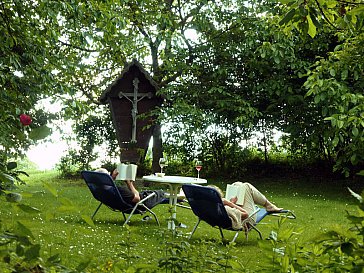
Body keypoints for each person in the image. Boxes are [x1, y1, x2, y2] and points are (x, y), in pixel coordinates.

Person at [210, 182, 282, 226]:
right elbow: (245, 214)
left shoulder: (208, 208)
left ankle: (268, 205)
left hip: (230, 217)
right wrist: (230, 204)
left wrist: (230, 203)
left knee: (237, 184)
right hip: (246, 221)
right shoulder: (225, 208)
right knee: (246, 186)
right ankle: (269, 205)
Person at [96, 168, 166, 209]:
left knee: (164, 196)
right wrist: (130, 184)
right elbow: (137, 199)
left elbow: (106, 183)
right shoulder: (119, 190)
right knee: (161, 193)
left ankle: (176, 199)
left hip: (122, 204)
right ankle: (176, 199)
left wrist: (112, 178)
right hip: (143, 202)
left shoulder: (99, 191)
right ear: (106, 178)